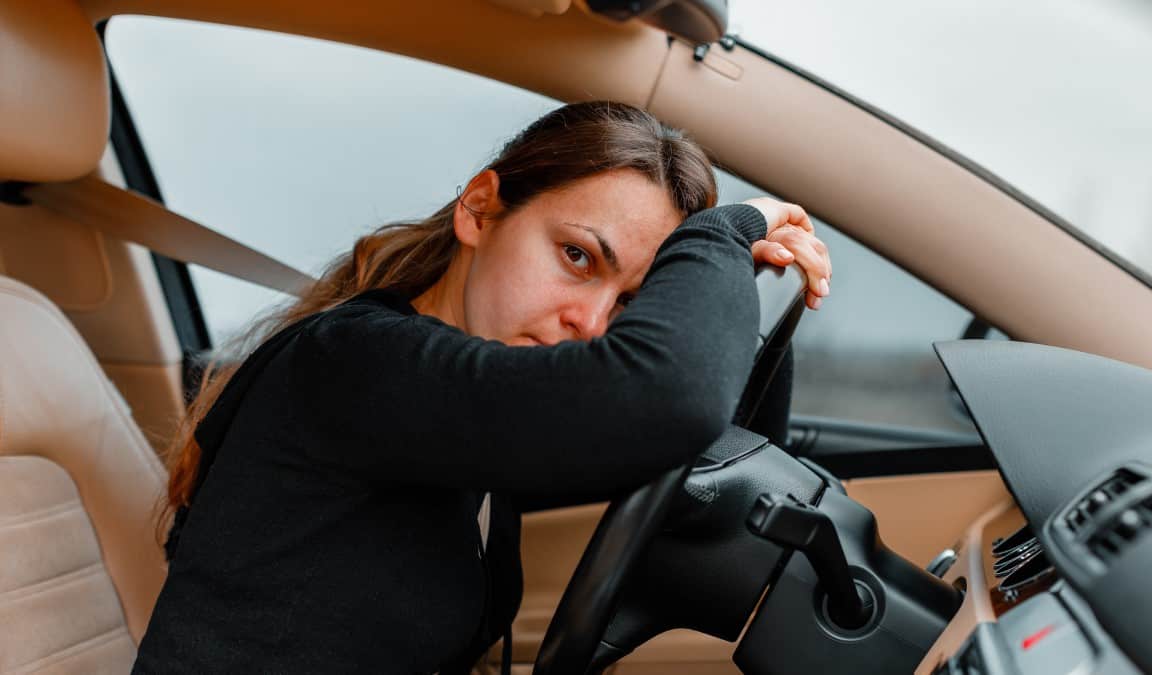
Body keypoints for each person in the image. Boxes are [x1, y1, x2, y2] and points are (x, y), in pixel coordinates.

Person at [132, 101, 832, 674]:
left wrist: (739, 289)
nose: (591, 323)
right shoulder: (362, 363)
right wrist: (726, 233)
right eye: (578, 256)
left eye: (630, 303)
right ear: (479, 209)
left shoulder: (477, 398)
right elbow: (669, 398)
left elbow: (719, 456)